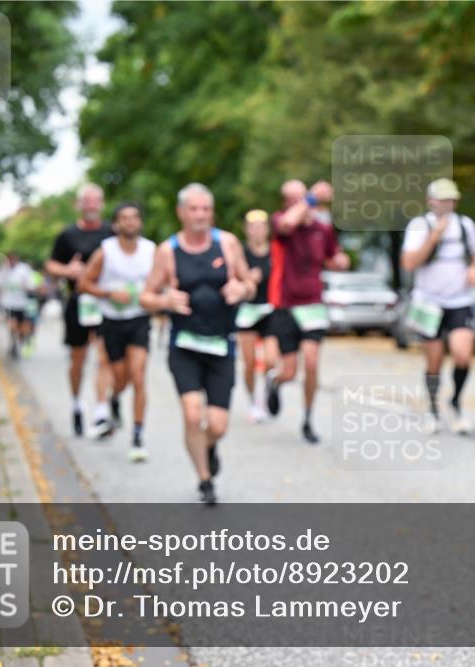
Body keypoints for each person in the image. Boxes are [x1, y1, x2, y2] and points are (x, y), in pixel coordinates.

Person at [140, 183, 256, 505]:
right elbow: (145, 297)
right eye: (194, 209)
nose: (200, 215)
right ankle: (205, 480)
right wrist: (164, 300)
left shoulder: (228, 243)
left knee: (217, 425)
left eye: (206, 209)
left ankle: (208, 446)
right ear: (181, 212)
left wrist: (242, 290)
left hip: (221, 346)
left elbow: (250, 281)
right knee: (193, 415)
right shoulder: (168, 250)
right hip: (185, 346)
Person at [264, 179, 350, 444]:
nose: (299, 204)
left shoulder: (322, 229)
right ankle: (275, 381)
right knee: (290, 371)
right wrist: (311, 198)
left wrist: (340, 261)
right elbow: (289, 223)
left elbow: (333, 256)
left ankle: (308, 419)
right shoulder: (280, 222)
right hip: (286, 305)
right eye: (293, 199)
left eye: (301, 198)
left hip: (312, 304)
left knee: (311, 363)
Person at [400, 178, 475, 434]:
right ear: (431, 201)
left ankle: (456, 402)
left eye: (451, 199)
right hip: (429, 302)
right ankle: (433, 408)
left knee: (463, 355)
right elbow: (408, 264)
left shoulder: (464, 224)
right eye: (442, 199)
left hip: (459, 300)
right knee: (434, 360)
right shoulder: (419, 225)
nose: (447, 204)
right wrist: (434, 235)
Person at [79, 202, 156, 462]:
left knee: (139, 375)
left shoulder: (150, 250)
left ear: (140, 222)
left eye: (134, 217)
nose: (130, 222)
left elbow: (164, 280)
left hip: (139, 319)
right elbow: (83, 283)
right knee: (120, 378)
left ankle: (137, 435)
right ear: (116, 224)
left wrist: (155, 297)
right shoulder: (106, 252)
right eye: (124, 218)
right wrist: (109, 293)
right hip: (112, 321)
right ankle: (114, 400)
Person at [46, 183, 116, 438]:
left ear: (102, 204)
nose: (91, 205)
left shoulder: (111, 232)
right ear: (78, 205)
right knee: (79, 360)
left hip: (104, 302)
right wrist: (68, 271)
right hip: (78, 302)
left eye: (95, 201)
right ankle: (76, 403)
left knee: (105, 356)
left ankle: (100, 410)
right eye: (86, 201)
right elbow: (51, 265)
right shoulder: (67, 235)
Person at [236, 209, 276, 423]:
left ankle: (270, 391)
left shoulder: (275, 253)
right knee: (249, 363)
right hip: (247, 311)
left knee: (270, 361)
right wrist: (246, 280)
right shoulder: (241, 253)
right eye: (253, 227)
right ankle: (253, 401)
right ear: (247, 230)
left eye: (261, 226)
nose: (257, 231)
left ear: (267, 229)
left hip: (269, 309)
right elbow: (233, 280)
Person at [0, 253, 33, 359]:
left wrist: (25, 285)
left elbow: (31, 284)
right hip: (8, 303)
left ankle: (21, 340)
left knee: (22, 328)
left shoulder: (24, 269)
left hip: (22, 303)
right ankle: (13, 344)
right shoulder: (3, 270)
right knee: (12, 325)